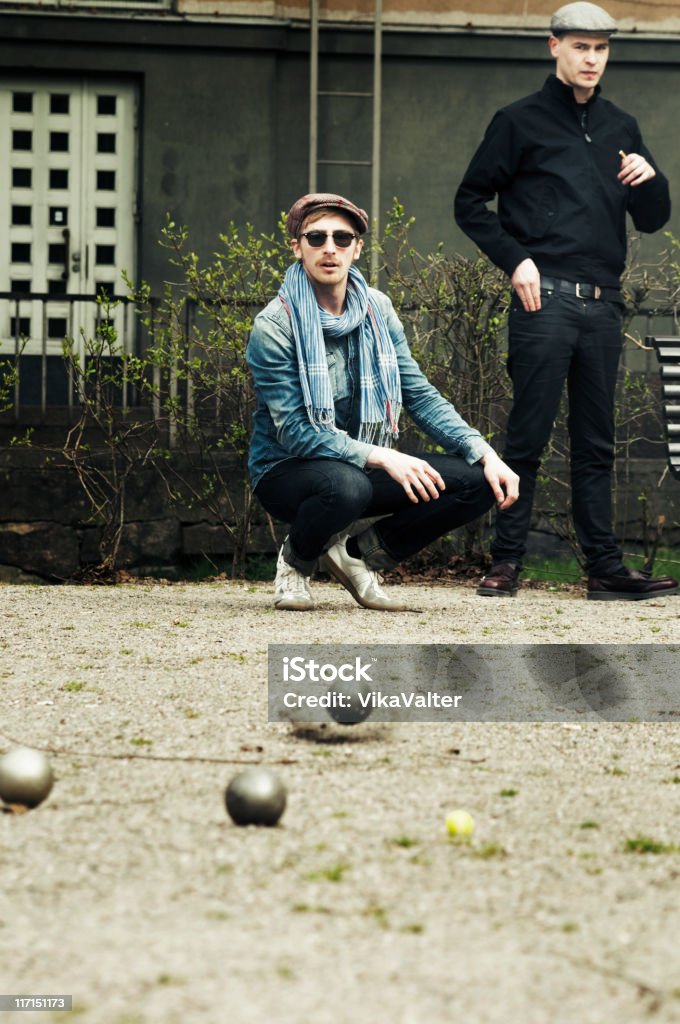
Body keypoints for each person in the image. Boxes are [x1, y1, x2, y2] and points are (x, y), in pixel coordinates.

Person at [454, 1, 678, 601]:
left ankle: (604, 569)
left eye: (601, 49)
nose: (591, 59)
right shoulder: (518, 121)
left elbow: (652, 220)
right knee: (526, 437)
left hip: (603, 305)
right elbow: (470, 202)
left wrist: (654, 182)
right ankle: (506, 562)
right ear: (555, 47)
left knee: (596, 441)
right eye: (581, 47)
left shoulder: (620, 127)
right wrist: (516, 260)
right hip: (542, 301)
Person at [246, 192, 519, 611]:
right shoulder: (274, 326)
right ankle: (296, 563)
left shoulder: (378, 309)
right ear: (297, 246)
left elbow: (419, 394)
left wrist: (483, 452)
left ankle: (355, 557)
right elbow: (297, 433)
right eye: (315, 237)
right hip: (286, 471)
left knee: (478, 482)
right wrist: (380, 455)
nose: (329, 248)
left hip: (359, 466)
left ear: (357, 248)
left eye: (342, 238)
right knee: (347, 485)